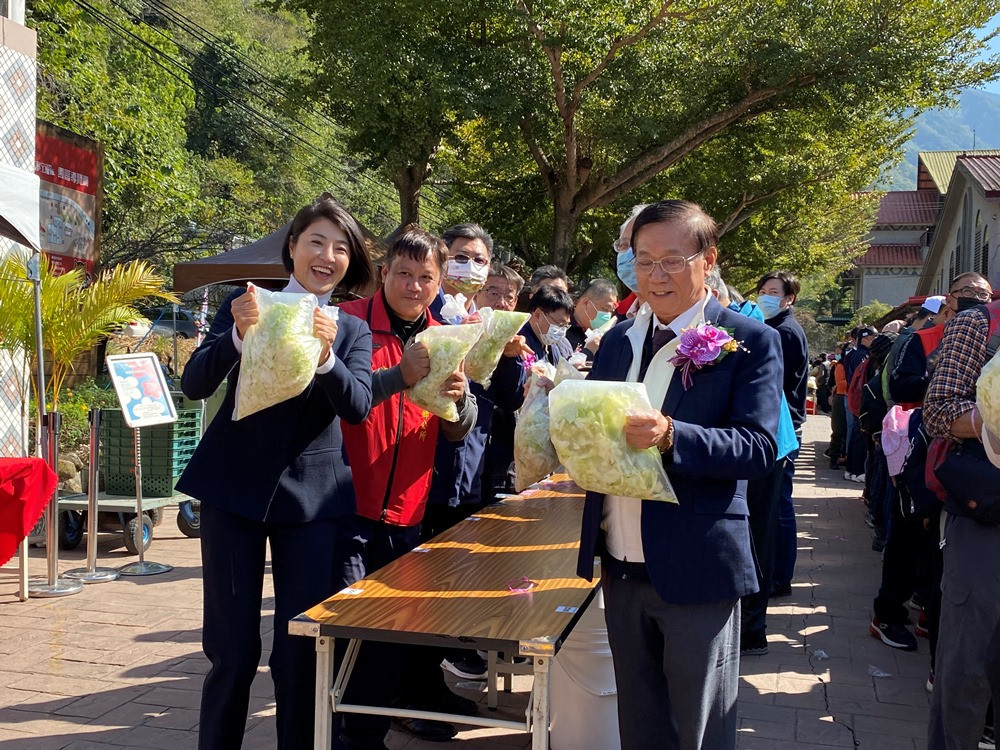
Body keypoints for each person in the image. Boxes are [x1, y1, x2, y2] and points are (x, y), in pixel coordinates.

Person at [577, 200, 782, 749]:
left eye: (671, 259)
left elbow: (759, 447)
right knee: (639, 722)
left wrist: (673, 435)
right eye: (644, 260)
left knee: (700, 726)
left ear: (707, 259)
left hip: (697, 565)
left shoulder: (749, 341)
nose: (656, 274)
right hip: (620, 563)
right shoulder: (618, 340)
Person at [177, 196, 375, 750]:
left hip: (312, 502)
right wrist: (239, 338)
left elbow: (358, 405)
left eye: (341, 247)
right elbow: (194, 383)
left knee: (299, 651)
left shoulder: (350, 329)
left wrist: (327, 357)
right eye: (316, 241)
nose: (327, 255)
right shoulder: (248, 305)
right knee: (233, 650)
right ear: (291, 248)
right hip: (231, 491)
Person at [338, 228, 479, 748]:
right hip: (344, 508)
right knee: (345, 635)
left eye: (426, 277)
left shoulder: (447, 338)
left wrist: (462, 402)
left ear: (439, 282)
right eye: (404, 273)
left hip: (408, 514)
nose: (414, 286)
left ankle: (367, 738)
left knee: (388, 640)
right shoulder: (347, 324)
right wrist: (399, 375)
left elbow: (458, 426)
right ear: (384, 272)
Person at [425, 224, 527, 681]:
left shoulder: (484, 321)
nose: (470, 267)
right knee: (427, 574)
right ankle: (422, 677)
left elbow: (504, 397)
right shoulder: (428, 311)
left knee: (457, 564)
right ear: (441, 260)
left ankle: (449, 656)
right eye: (461, 257)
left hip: (475, 458)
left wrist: (507, 356)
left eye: (479, 260)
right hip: (428, 461)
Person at [923, 275, 998, 750]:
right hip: (987, 519)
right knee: (968, 667)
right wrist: (991, 423)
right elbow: (937, 411)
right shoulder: (979, 324)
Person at [756, 271, 809, 599]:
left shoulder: (785, 332)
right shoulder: (775, 328)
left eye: (773, 292)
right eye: (762, 290)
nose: (765, 296)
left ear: (789, 298)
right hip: (782, 425)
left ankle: (779, 575)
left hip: (783, 427)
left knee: (779, 504)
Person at [519, 284, 575, 366]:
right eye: (560, 324)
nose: (562, 331)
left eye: (566, 326)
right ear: (538, 314)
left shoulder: (557, 345)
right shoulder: (519, 343)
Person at [612, 204, 649, 320]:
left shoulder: (699, 324)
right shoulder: (616, 320)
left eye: (638, 245)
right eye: (623, 244)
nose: (630, 253)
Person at [567, 278, 618, 360]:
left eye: (610, 311)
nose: (607, 315)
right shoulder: (562, 329)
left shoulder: (602, 336)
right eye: (605, 309)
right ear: (586, 303)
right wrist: (589, 351)